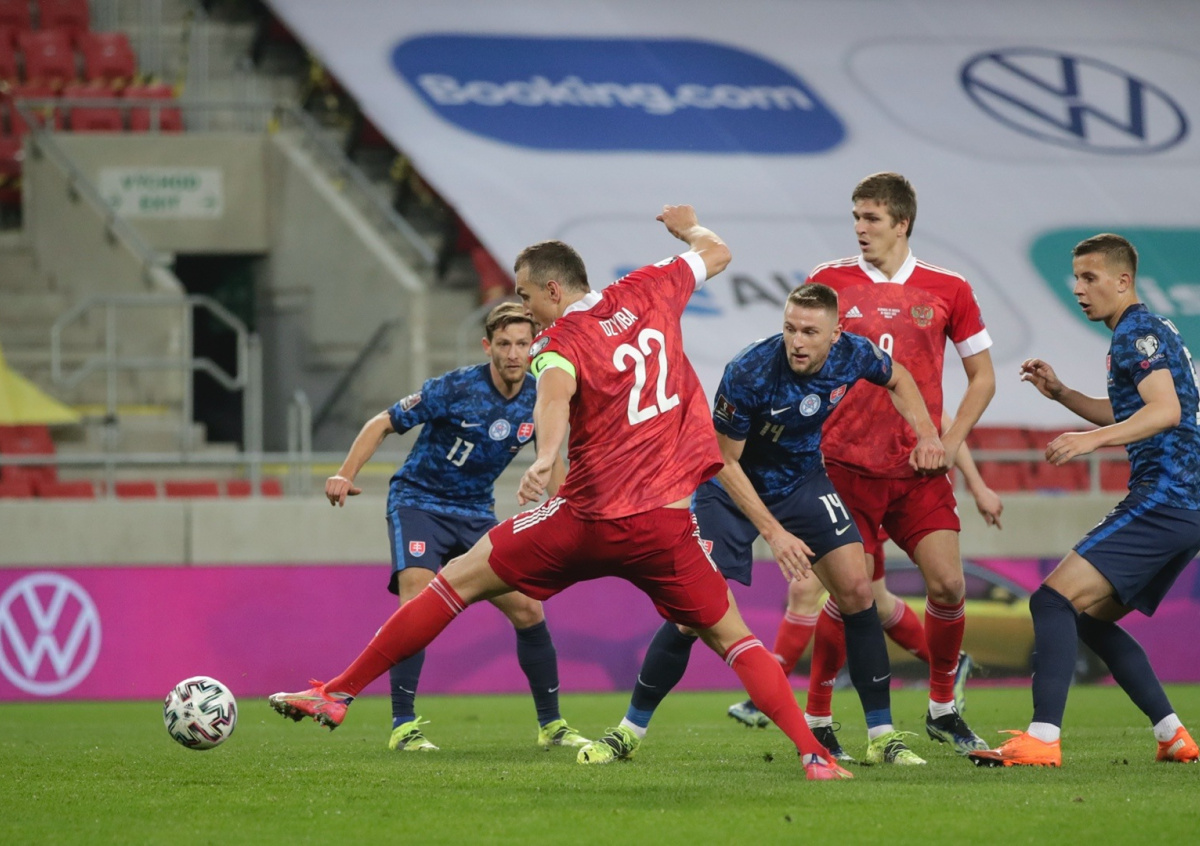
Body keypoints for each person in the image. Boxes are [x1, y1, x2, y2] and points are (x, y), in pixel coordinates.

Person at [269, 205, 854, 781]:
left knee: (456, 582)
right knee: (735, 639)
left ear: (553, 289)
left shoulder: (559, 340)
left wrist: (547, 457)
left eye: (526, 296)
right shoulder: (651, 286)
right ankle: (814, 757)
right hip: (666, 528)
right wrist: (689, 228)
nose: (524, 309)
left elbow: (553, 396)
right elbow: (717, 251)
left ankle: (338, 693)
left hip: (587, 520)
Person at [576, 282, 947, 767]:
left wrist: (927, 434)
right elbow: (725, 461)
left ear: (835, 333)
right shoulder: (749, 371)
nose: (797, 341)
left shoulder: (854, 354)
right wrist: (774, 532)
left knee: (858, 591)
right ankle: (628, 731)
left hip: (802, 481)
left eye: (810, 332)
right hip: (730, 489)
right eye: (790, 328)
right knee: (691, 614)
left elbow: (899, 377)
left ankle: (882, 736)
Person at [970, 233, 1200, 767]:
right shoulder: (1150, 330)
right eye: (1076, 277)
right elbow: (1138, 409)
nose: (1078, 288)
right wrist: (1063, 395)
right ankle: (1172, 736)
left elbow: (1165, 411)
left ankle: (1042, 738)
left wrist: (1090, 441)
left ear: (1123, 281)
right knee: (1090, 619)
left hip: (1166, 496)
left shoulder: (1136, 333)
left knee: (1051, 600)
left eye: (1090, 277)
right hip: (1185, 506)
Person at [790, 172, 995, 758]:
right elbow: (800, 359)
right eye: (856, 217)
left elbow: (983, 377)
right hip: (844, 468)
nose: (860, 228)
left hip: (918, 472)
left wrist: (948, 443)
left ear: (901, 223)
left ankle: (942, 710)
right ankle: (819, 716)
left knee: (949, 584)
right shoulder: (829, 282)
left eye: (872, 218)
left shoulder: (948, 288)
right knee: (850, 593)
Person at [322, 302, 586, 752]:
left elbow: (552, 459)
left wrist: (567, 511)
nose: (514, 353)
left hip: (475, 513)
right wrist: (346, 474)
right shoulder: (455, 387)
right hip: (418, 502)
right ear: (488, 346)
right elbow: (383, 423)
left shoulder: (540, 397)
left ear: (534, 346)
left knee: (528, 609)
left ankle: (552, 726)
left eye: (522, 344)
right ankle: (403, 727)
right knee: (417, 599)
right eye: (504, 344)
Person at [728, 425, 1003, 732]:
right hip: (838, 483)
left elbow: (942, 423)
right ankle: (952, 664)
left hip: (874, 485)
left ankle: (779, 700)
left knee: (816, 590)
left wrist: (977, 486)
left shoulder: (900, 398)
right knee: (876, 601)